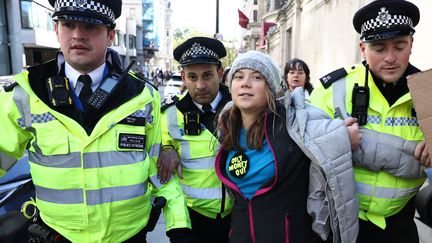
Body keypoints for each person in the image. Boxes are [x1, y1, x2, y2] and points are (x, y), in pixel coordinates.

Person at [0, 0, 191, 242]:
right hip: (57, 236)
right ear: (56, 29)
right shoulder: (25, 93)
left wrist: (179, 226)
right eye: (68, 24)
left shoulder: (143, 96)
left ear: (110, 35)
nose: (78, 34)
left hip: (130, 237)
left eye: (91, 26)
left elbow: (159, 172)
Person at [310, 1, 432, 242]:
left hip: (402, 224)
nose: (390, 58)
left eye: (399, 46)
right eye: (378, 48)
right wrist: (336, 140)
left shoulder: (427, 93)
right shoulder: (333, 89)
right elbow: (302, 147)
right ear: (362, 48)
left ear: (412, 44)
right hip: (343, 224)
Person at [215, 50, 362, 243]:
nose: (245, 83)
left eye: (257, 77)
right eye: (238, 76)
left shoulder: (295, 126)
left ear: (271, 88)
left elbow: (353, 138)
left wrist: (343, 139)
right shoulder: (226, 127)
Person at [157, 36, 233, 242]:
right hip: (191, 223)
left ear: (220, 73)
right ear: (182, 76)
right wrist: (166, 148)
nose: (200, 85)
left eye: (207, 75)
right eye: (192, 77)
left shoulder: (242, 108)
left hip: (238, 219)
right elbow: (159, 175)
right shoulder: (169, 115)